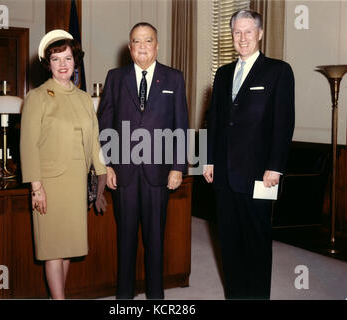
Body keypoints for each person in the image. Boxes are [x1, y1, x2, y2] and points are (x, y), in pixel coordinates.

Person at [203, 10, 295, 299]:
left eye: (248, 32)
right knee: (229, 245)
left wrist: (275, 167)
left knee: (256, 244)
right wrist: (208, 159)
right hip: (224, 175)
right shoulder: (223, 73)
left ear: (260, 33)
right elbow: (214, 118)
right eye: (236, 32)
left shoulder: (278, 71)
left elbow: (283, 122)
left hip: (259, 175)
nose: (242, 38)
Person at [97, 22, 189, 299]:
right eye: (137, 41)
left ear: (157, 45)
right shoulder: (116, 77)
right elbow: (105, 124)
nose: (142, 46)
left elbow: (180, 126)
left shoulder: (174, 78)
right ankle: (124, 297)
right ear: (130, 48)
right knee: (125, 238)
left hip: (158, 173)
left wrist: (178, 167)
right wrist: (107, 165)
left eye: (148, 40)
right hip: (123, 172)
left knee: (155, 239)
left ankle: (156, 297)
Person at [20, 29, 107, 299]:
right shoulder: (38, 96)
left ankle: (57, 297)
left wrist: (102, 182)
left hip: (76, 183)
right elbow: (28, 145)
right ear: (48, 63)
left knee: (67, 246)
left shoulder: (83, 99)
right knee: (52, 249)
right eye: (56, 59)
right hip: (49, 183)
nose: (62, 65)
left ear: (75, 61)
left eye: (67, 58)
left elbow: (94, 142)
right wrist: (37, 187)